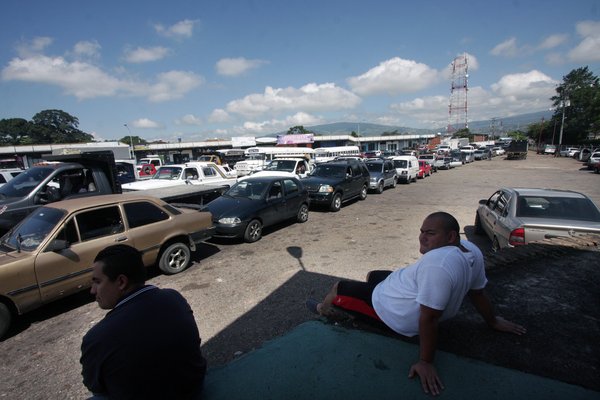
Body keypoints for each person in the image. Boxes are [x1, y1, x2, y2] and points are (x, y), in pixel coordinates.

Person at [306, 211, 526, 396]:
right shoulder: (471, 250)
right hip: (397, 287)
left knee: (339, 288)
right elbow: (478, 293)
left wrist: (425, 361)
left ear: (450, 237)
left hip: (388, 309)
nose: (422, 237)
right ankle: (362, 293)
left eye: (430, 233)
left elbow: (429, 318)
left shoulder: (437, 265)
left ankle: (323, 310)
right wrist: (493, 320)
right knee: (373, 274)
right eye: (422, 231)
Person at [80, 245, 207, 399]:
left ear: (121, 282)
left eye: (97, 282)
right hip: (194, 390)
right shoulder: (174, 298)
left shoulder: (97, 338)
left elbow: (94, 385)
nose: (93, 290)